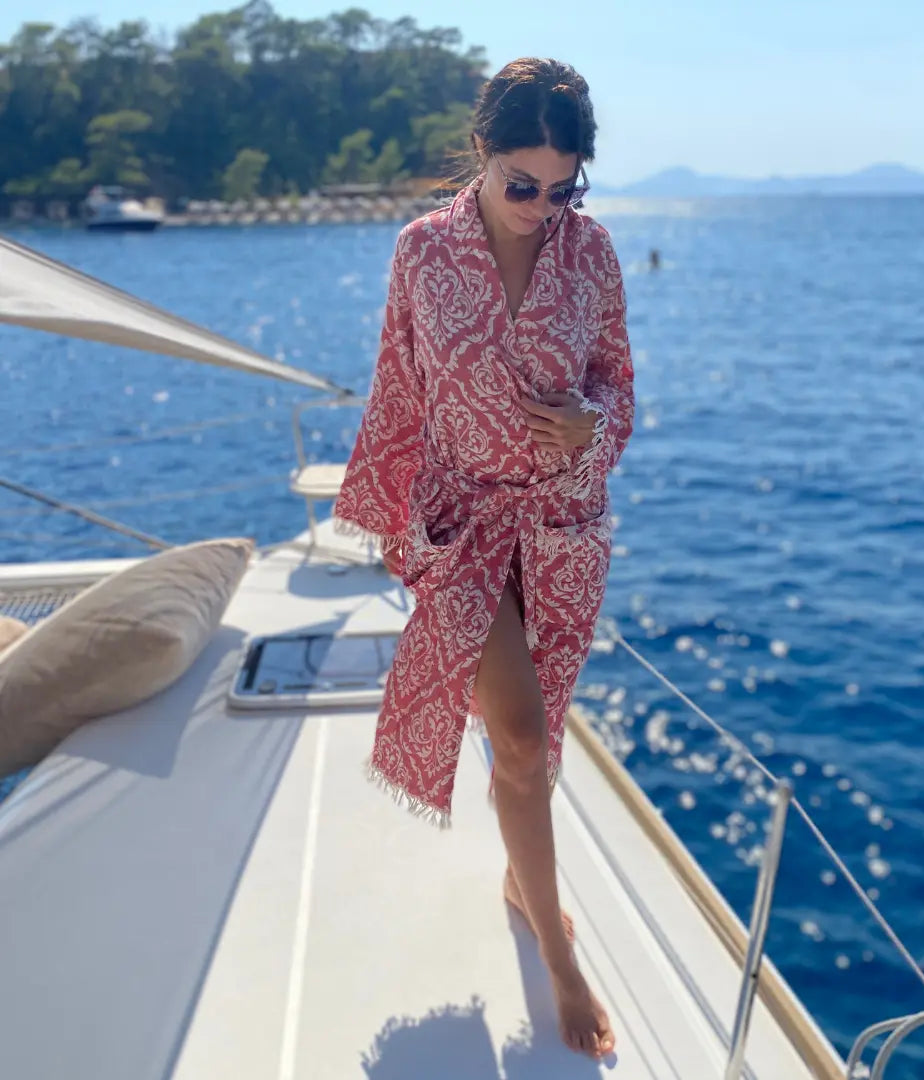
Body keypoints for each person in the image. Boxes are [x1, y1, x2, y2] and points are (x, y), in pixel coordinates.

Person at [333, 56, 633, 1060]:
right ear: (481, 154)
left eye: (563, 187)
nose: (541, 205)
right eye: (522, 184)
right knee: (518, 735)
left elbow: (618, 387)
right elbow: (397, 382)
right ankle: (559, 958)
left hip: (561, 532)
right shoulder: (423, 252)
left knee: (536, 741)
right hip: (460, 525)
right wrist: (389, 520)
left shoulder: (591, 257)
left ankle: (520, 875)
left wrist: (589, 428)